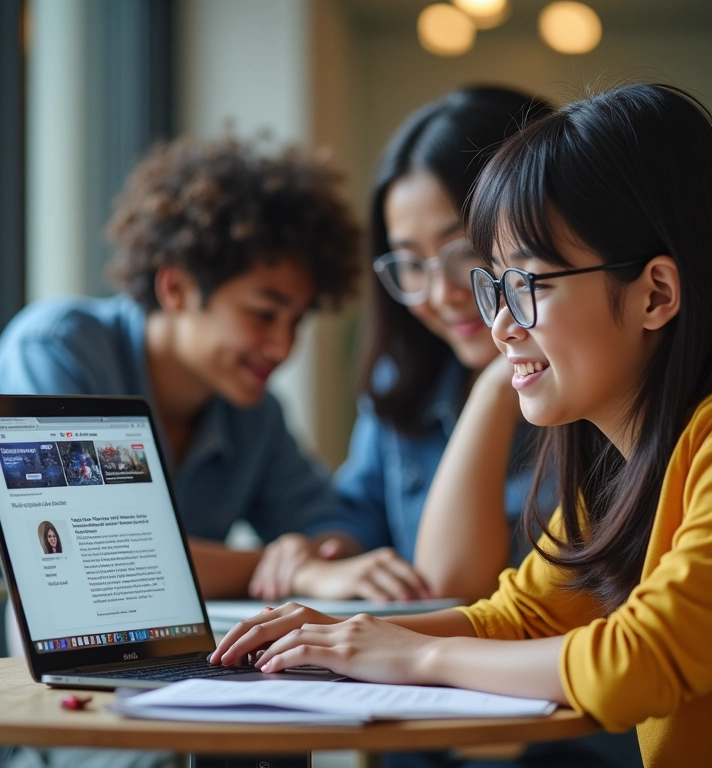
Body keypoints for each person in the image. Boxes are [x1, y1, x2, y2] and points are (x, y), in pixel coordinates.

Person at [210, 82, 709, 768]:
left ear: (656, 293)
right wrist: (345, 636)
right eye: (495, 286)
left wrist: (420, 652)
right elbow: (523, 616)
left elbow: (638, 659)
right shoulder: (620, 468)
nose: (501, 326)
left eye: (528, 285)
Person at [0, 136, 366, 600]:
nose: (283, 347)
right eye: (264, 314)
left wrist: (315, 550)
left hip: (196, 657)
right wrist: (283, 568)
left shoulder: (255, 415)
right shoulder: (57, 350)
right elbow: (87, 550)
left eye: (297, 321)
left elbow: (336, 531)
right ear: (176, 287)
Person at [251, 87, 554, 605]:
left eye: (466, 251)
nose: (443, 295)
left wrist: (496, 385)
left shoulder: (595, 385)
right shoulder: (406, 377)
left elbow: (453, 589)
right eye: (411, 263)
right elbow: (358, 515)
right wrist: (316, 557)